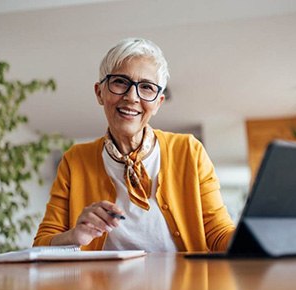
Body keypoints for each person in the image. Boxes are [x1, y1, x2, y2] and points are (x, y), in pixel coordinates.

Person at [33, 37, 235, 252]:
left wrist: (254, 237)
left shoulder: (189, 151)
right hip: (102, 286)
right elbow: (42, 243)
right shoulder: (75, 160)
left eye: (146, 87)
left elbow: (218, 234)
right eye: (120, 82)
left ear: (158, 103)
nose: (131, 97)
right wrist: (75, 236)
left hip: (183, 285)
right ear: (99, 92)